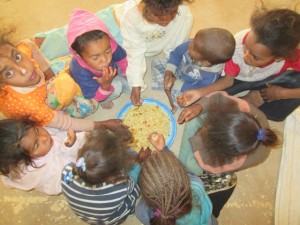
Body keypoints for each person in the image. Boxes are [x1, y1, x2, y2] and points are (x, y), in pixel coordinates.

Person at [34, 0, 193, 106]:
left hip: (114, 42)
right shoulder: (131, 16)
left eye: (171, 14)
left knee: (100, 50)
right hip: (114, 25)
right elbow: (134, 51)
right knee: (72, 38)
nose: (165, 22)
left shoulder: (183, 13)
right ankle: (40, 42)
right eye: (158, 16)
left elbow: (175, 45)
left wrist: (169, 67)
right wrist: (134, 82)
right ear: (142, 4)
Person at [178, 8, 300, 121]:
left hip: (267, 79)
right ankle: (244, 102)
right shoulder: (236, 47)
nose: (246, 56)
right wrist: (200, 93)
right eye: (246, 47)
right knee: (209, 97)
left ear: (279, 57)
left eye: (255, 57)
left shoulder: (291, 55)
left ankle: (249, 102)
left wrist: (282, 93)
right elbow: (228, 81)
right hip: (237, 78)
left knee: (292, 90)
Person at [177, 91, 279, 217]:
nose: (206, 128)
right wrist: (200, 107)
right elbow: (218, 98)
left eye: (209, 131)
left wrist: (199, 137)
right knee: (196, 116)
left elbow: (208, 166)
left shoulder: (234, 159)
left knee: (190, 165)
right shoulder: (245, 110)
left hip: (215, 158)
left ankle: (181, 169)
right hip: (226, 132)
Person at [0, 36, 120, 131]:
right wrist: (103, 124)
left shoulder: (21, 51)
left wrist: (50, 75)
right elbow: (64, 123)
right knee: (89, 103)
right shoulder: (29, 106)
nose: (23, 69)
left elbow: (28, 43)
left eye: (17, 57)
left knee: (73, 62)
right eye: (9, 73)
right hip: (40, 103)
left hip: (45, 85)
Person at [61, 127, 151, 225]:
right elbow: (132, 177)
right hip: (109, 219)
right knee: (137, 183)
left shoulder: (66, 173)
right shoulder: (120, 186)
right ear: (113, 177)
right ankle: (129, 210)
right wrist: (139, 160)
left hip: (90, 214)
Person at [135, 133, 216, 225]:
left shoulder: (141, 211)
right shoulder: (196, 185)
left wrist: (137, 162)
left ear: (145, 196)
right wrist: (164, 149)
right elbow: (185, 172)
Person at [152, 28, 235, 113]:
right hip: (178, 70)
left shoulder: (211, 75)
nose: (190, 44)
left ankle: (171, 99)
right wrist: (169, 72)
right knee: (157, 64)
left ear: (206, 62)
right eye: (193, 41)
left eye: (194, 47)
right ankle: (168, 88)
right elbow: (176, 54)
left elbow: (197, 89)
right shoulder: (190, 44)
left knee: (182, 100)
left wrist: (176, 82)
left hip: (186, 85)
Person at [0, 119, 86, 195]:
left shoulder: (30, 139)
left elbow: (55, 130)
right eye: (36, 145)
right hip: (60, 178)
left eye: (37, 130)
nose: (44, 137)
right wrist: (70, 147)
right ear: (25, 160)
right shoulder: (42, 169)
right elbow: (71, 167)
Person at [67, 9, 129, 109]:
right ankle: (105, 99)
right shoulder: (79, 70)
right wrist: (105, 85)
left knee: (132, 80)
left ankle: (115, 84)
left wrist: (126, 74)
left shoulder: (109, 45)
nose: (105, 60)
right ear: (78, 55)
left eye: (107, 51)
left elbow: (122, 59)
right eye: (95, 57)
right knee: (116, 88)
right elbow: (92, 95)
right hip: (97, 86)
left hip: (111, 72)